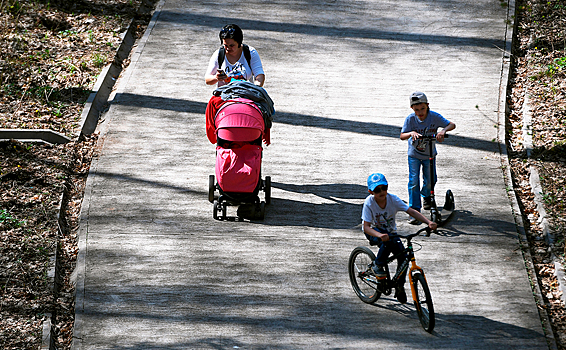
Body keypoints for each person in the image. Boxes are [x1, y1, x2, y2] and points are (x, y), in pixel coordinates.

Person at [361, 173, 437, 304]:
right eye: (377, 190)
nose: (381, 192)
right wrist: (379, 235)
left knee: (403, 256)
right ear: (370, 191)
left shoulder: (393, 199)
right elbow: (366, 227)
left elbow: (411, 211)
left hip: (390, 232)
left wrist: (428, 222)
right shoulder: (369, 203)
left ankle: (399, 285)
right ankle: (377, 265)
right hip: (374, 232)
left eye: (383, 188)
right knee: (387, 241)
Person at [400, 91, 456, 224]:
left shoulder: (434, 117)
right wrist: (411, 133)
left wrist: (443, 131)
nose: (420, 112)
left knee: (431, 179)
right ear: (412, 109)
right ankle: (414, 210)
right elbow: (402, 136)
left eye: (423, 109)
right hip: (414, 155)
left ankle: (426, 196)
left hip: (429, 154)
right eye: (417, 109)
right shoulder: (410, 119)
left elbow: (451, 124)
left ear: (427, 106)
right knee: (413, 181)